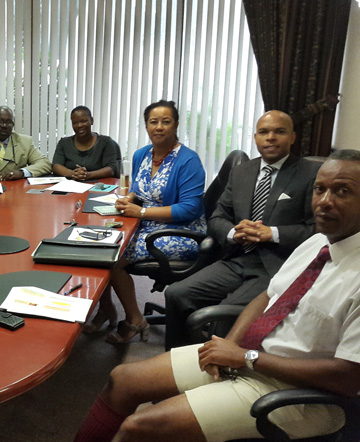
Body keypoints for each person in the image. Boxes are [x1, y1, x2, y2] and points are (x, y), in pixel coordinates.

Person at [74, 150, 360, 442]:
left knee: (140, 427)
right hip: (251, 357)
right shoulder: (317, 242)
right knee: (122, 380)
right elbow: (268, 295)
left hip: (296, 394)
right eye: (319, 189)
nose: (324, 202)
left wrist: (246, 357)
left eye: (342, 191)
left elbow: (349, 378)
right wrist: (231, 344)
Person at [164, 110, 319, 351]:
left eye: (279, 132)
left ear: (293, 137)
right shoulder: (242, 171)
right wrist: (233, 233)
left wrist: (273, 233)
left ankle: (217, 368)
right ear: (255, 137)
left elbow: (317, 231)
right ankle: (176, 358)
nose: (271, 138)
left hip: (276, 266)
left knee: (222, 313)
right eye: (264, 132)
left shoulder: (311, 174)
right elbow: (217, 216)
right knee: (176, 293)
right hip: (236, 257)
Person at [94, 100, 206, 343]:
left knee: (112, 257)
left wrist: (141, 213)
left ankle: (134, 319)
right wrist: (126, 200)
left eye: (166, 122)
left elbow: (190, 208)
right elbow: (138, 188)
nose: (159, 127)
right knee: (99, 245)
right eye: (153, 122)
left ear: (175, 125)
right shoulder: (141, 155)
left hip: (181, 231)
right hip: (147, 224)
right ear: (146, 125)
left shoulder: (188, 160)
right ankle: (106, 309)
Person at [0, 106, 52, 180]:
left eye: (8, 122)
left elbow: (45, 163)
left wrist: (22, 172)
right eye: (0, 121)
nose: (4, 126)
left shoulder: (25, 141)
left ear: (13, 125)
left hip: (16, 189)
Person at [52, 105, 120, 181]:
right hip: (70, 186)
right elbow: (56, 166)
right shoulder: (64, 143)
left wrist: (87, 175)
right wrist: (73, 173)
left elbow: (111, 169)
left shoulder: (105, 142)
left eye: (83, 121)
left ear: (91, 120)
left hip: (98, 187)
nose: (79, 125)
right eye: (75, 123)